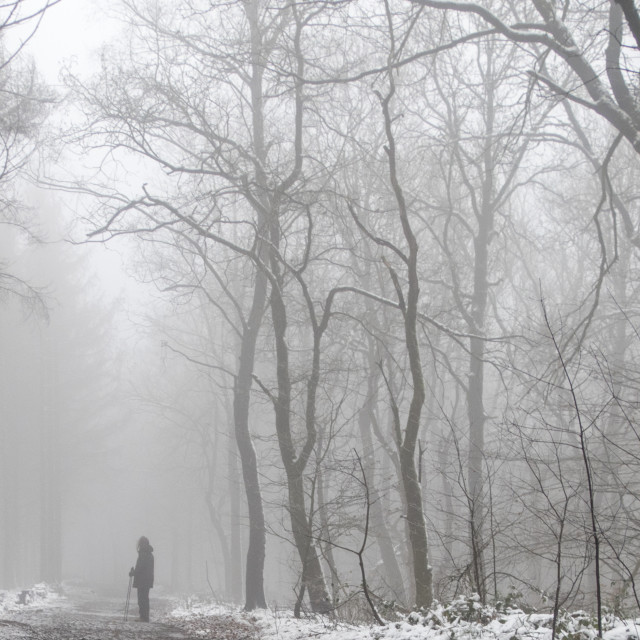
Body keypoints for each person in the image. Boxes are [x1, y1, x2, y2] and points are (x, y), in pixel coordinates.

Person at [129, 536, 154, 622]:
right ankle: (144, 616)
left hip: (142, 579)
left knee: (141, 598)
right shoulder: (149, 553)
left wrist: (133, 572)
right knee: (145, 598)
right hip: (147, 579)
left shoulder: (143, 553)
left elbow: (141, 567)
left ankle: (143, 617)